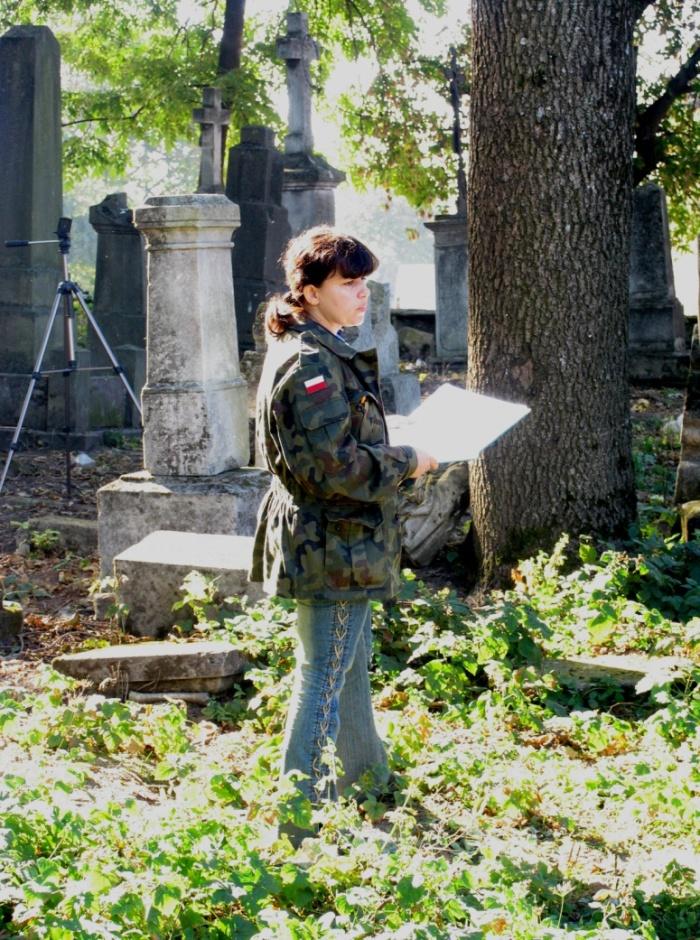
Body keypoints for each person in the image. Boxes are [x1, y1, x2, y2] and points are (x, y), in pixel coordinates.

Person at [250, 226, 437, 842]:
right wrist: (409, 460)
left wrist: (392, 440)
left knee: (347, 665)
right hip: (333, 542)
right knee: (323, 678)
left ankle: (368, 782)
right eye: (348, 283)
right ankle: (296, 827)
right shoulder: (310, 363)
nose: (362, 294)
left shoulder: (321, 349)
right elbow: (336, 469)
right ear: (308, 291)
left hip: (339, 541)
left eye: (365, 282)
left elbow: (338, 444)